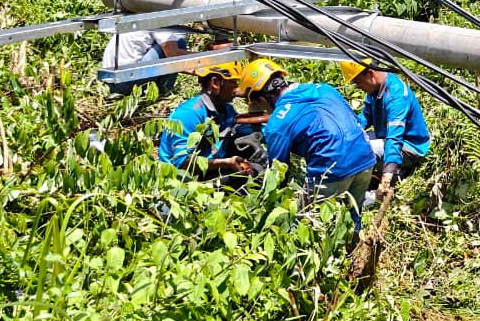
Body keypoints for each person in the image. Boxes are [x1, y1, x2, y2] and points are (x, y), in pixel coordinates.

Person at [239, 58, 375, 227]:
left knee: (303, 223)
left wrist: (264, 205)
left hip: (332, 168)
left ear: (262, 99)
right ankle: (356, 245)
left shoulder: (277, 123)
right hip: (365, 156)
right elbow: (354, 120)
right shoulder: (324, 88)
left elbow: (279, 172)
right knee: (353, 214)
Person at [339, 60, 431, 194]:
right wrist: (346, 132)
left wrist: (387, 177)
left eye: (358, 82)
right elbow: (365, 117)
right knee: (353, 142)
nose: (358, 87)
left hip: (408, 147)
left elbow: (395, 138)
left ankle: (395, 172)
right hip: (385, 136)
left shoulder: (396, 96)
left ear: (370, 73)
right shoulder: (374, 90)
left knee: (363, 149)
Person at [157, 61, 255, 179]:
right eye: (233, 82)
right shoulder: (189, 114)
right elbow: (181, 163)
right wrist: (226, 163)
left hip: (212, 162)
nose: (236, 88)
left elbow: (249, 129)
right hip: (184, 177)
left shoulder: (226, 109)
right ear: (215, 83)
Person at [102, 28, 191, 97]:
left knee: (169, 43)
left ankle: (154, 88)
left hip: (109, 80)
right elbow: (173, 54)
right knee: (178, 42)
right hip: (125, 82)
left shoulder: (140, 11)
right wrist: (204, 57)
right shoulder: (161, 17)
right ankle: (163, 89)